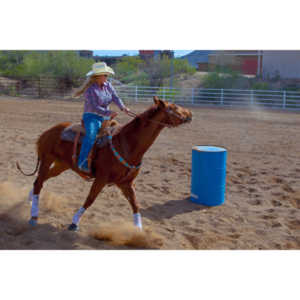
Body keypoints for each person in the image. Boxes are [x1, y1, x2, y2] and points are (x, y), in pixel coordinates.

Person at [73, 62, 130, 173]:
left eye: (107, 75)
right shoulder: (90, 90)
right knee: (91, 135)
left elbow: (115, 97)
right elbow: (94, 107)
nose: (107, 77)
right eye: (105, 75)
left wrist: (123, 108)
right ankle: (82, 161)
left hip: (105, 117)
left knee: (116, 133)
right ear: (98, 76)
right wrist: (108, 112)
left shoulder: (108, 85)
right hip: (91, 116)